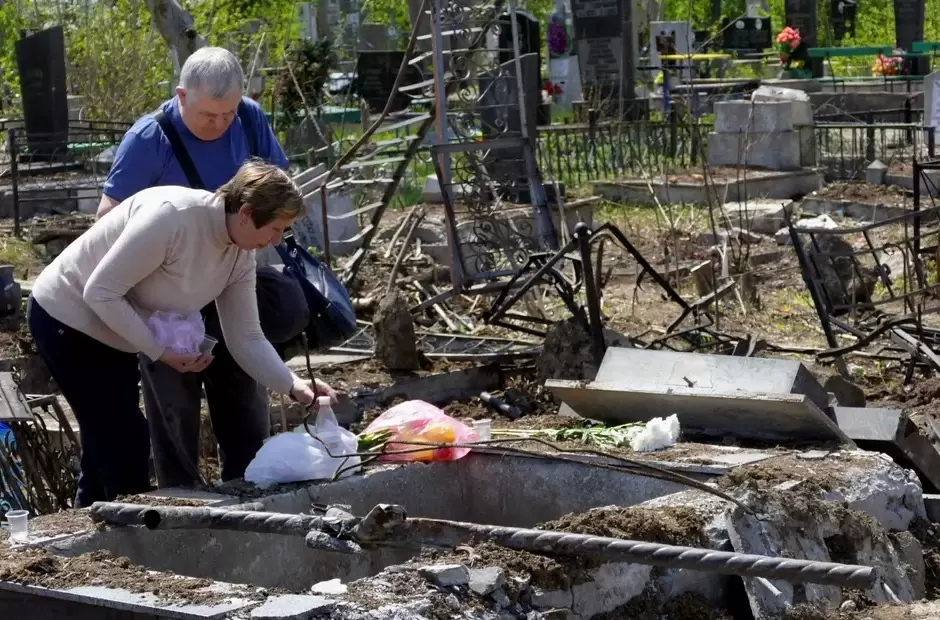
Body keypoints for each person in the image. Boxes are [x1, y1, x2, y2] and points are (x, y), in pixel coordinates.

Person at [28, 161, 334, 508]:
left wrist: (294, 386)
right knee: (125, 440)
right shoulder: (172, 218)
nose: (277, 240)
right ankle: (128, 537)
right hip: (67, 319)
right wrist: (159, 350)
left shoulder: (238, 255)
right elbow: (100, 292)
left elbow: (246, 337)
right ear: (246, 212)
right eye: (276, 228)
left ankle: (90, 538)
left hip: (115, 328)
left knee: (106, 441)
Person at [95, 47, 311, 488]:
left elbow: (279, 195)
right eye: (209, 115)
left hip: (230, 277)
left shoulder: (249, 120)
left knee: (246, 390)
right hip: (167, 297)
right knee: (174, 400)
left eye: (227, 114)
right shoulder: (149, 139)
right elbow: (107, 221)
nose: (219, 124)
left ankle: (251, 487)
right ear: (181, 96)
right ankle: (182, 498)